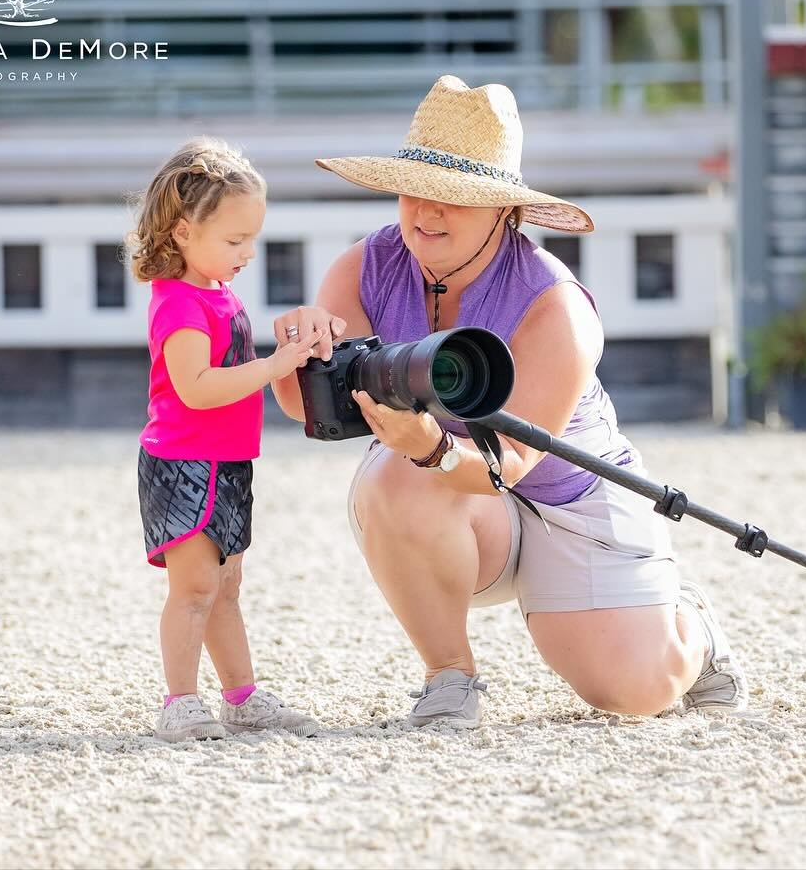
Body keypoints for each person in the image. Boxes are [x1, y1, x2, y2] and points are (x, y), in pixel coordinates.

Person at [268, 76, 743, 728]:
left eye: (456, 198)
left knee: (632, 691)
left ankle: (693, 631)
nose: (427, 211)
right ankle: (449, 679)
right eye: (417, 188)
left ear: (505, 209)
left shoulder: (555, 306)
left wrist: (430, 445)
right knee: (389, 478)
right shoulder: (364, 267)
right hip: (451, 501)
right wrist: (293, 354)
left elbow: (508, 465)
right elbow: (306, 409)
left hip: (572, 492)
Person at [127, 136, 321, 742]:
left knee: (227, 585)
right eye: (234, 240)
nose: (248, 253)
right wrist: (273, 366)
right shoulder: (179, 305)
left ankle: (241, 695)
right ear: (183, 232)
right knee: (194, 589)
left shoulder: (214, 291)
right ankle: (179, 701)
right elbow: (197, 388)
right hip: (183, 464)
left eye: (251, 239)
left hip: (227, 460)